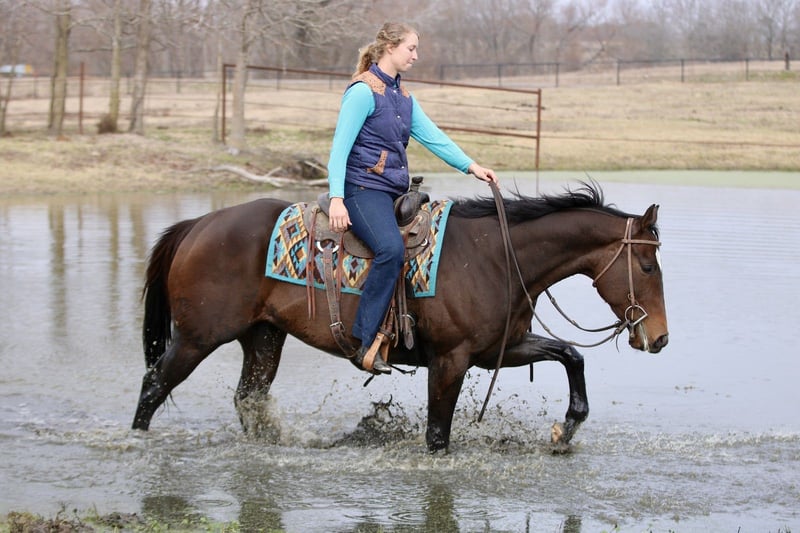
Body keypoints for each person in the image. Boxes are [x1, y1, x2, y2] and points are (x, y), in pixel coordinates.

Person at [326, 21, 499, 375]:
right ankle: (364, 341)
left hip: (394, 190)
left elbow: (433, 137)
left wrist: (472, 166)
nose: (416, 56)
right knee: (390, 249)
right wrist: (337, 199)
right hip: (362, 190)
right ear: (390, 47)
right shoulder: (362, 92)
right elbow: (338, 151)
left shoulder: (403, 97)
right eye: (411, 48)